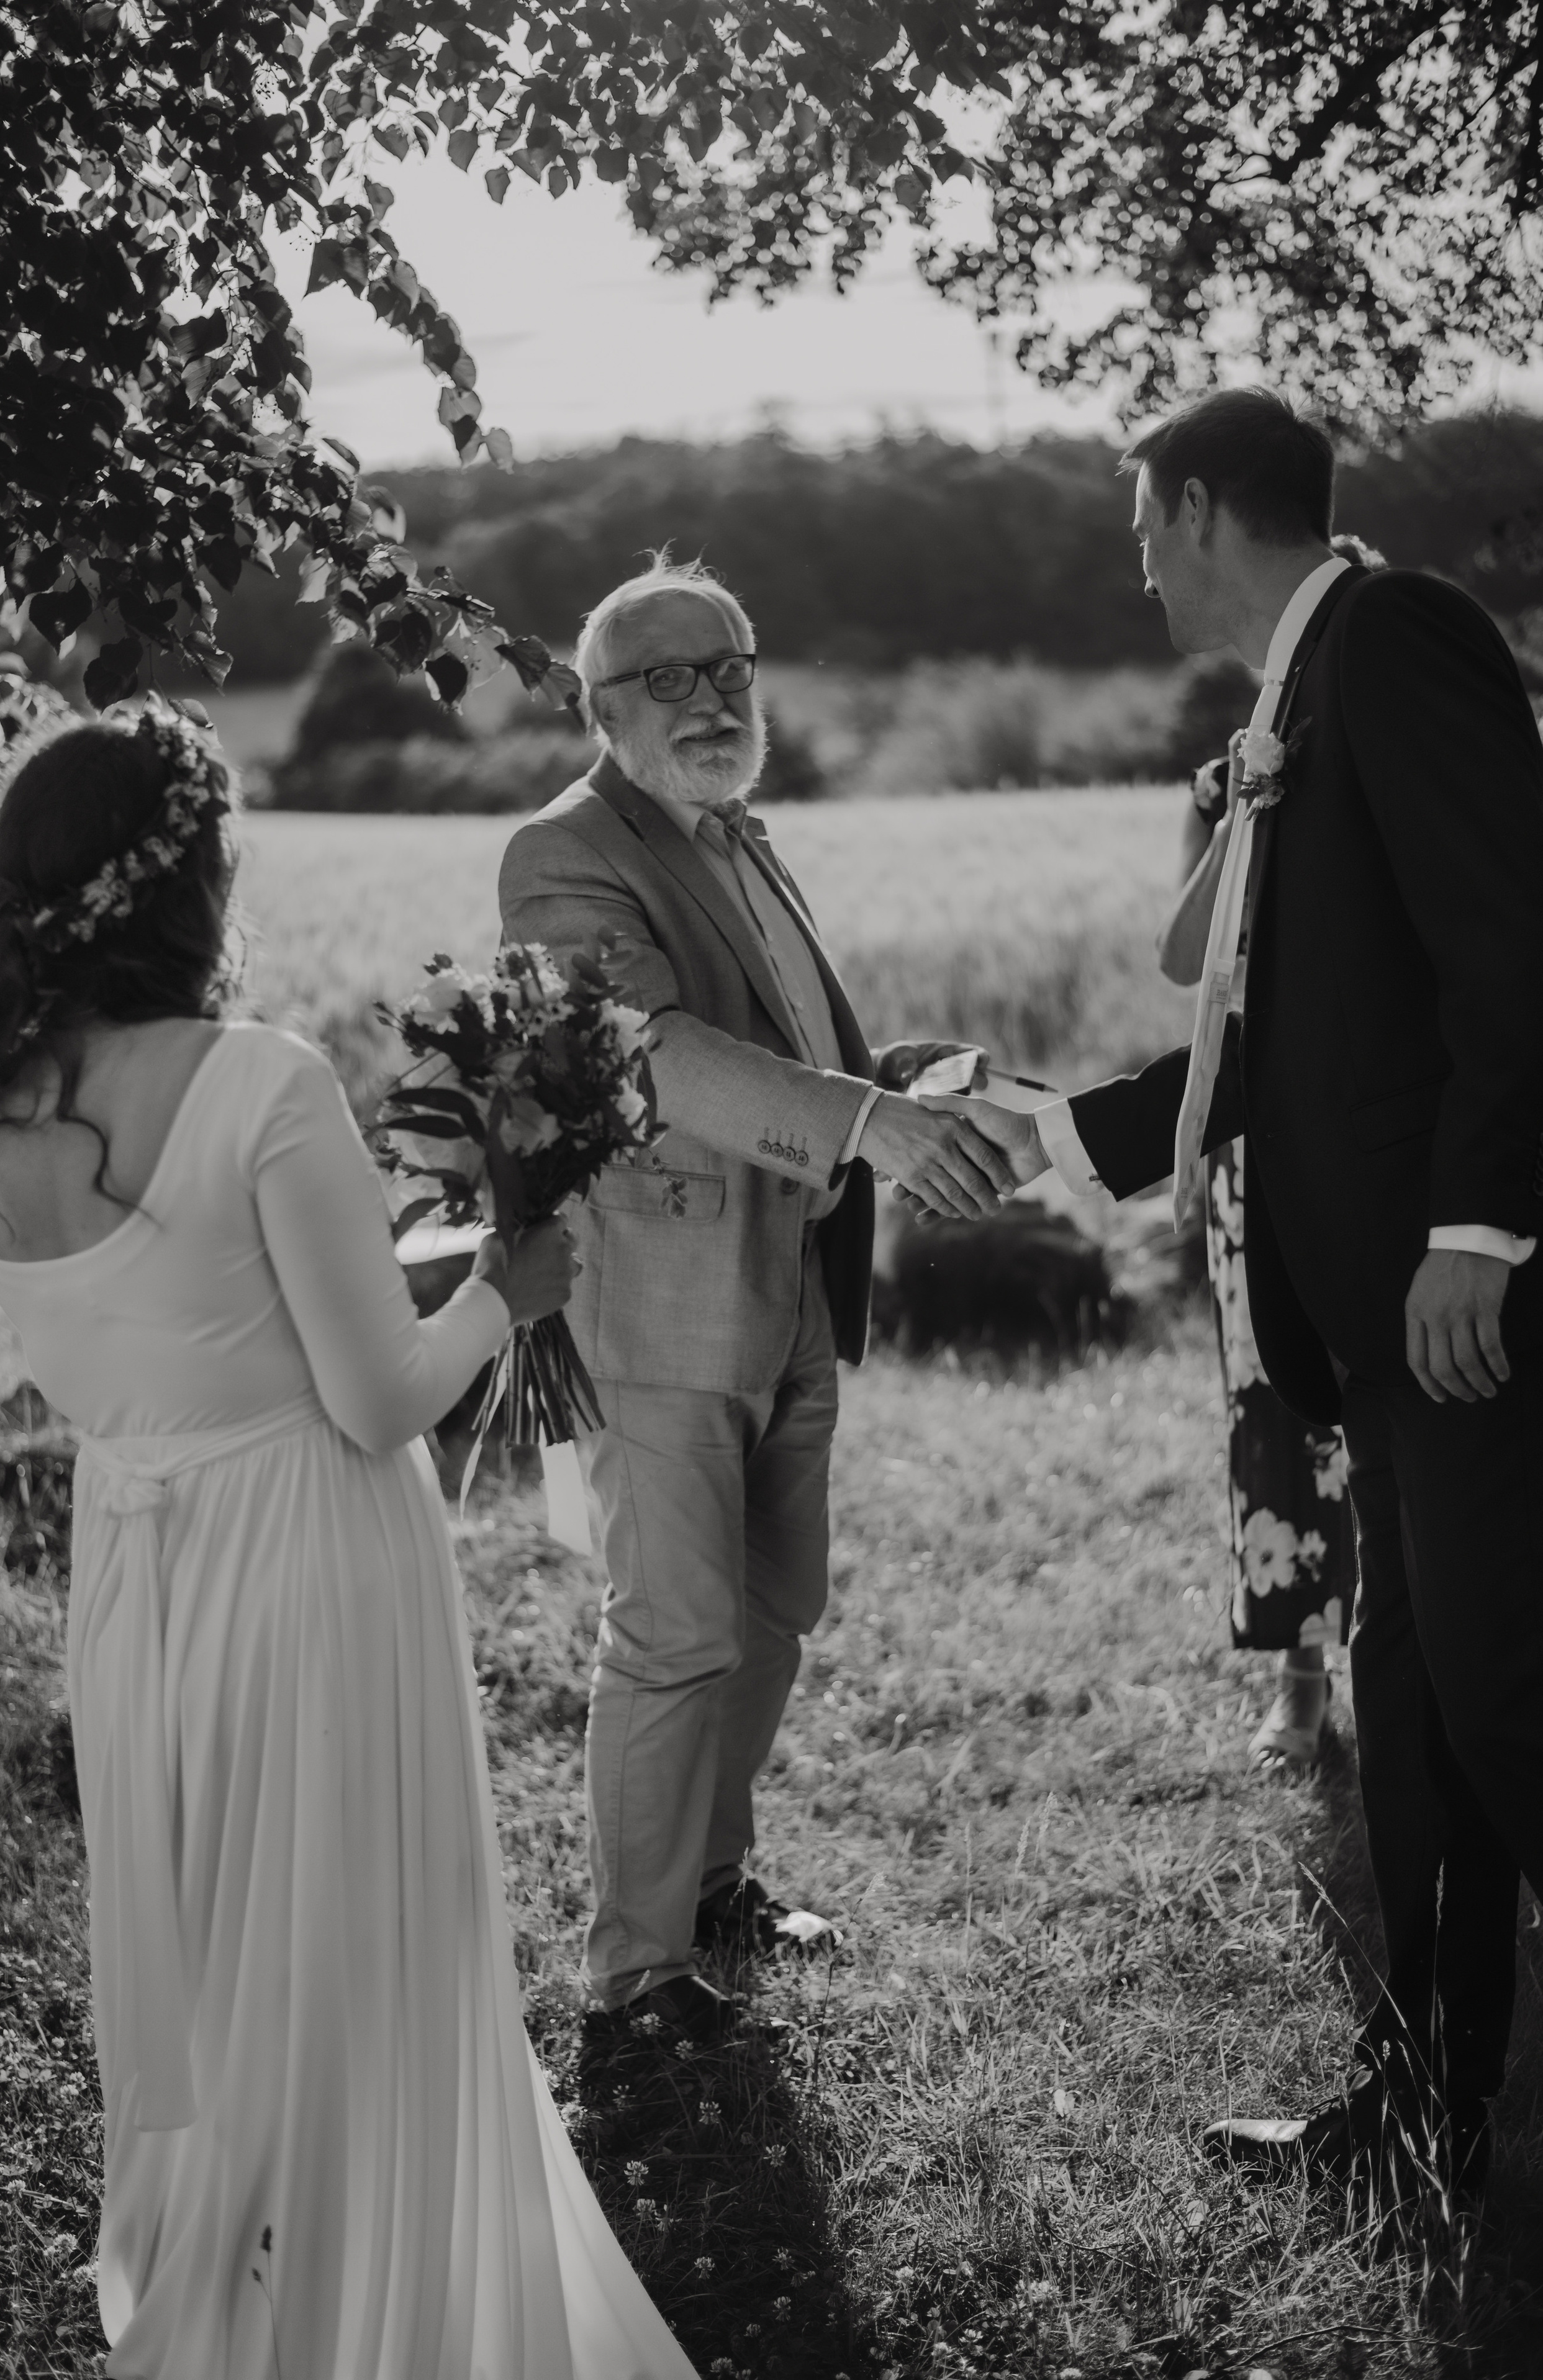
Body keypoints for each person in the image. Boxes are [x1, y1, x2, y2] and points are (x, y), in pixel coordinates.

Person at [0, 708, 699, 2380]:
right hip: (307, 1548)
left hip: (134, 1562)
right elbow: (375, 1401)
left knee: (209, 1942)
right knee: (358, 1942)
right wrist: (506, 1294)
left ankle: (234, 2286)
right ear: (184, 880)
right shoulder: (256, 1079)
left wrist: (414, 1278)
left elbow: (182, 1325)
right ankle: (386, 2312)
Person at [972, 389, 1543, 2207]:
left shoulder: (1395, 638)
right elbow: (1279, 1037)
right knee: (1420, 1718)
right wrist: (1046, 1130)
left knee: (1505, 1702)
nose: (1138, 563)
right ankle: (1421, 2105)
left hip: (1462, 1310)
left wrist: (1480, 1232)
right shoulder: (1286, 706)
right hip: (1374, 1325)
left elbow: (1516, 943)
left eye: (1144, 523)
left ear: (1204, 504)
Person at [498, 557, 1024, 2039]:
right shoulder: (558, 853)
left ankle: (714, 1886)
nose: (713, 699)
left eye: (729, 667)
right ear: (601, 709)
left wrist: (894, 1083)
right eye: (669, 677)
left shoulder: (735, 833)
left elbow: (784, 1044)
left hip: (792, 1279)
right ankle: (637, 1973)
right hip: (656, 1300)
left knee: (774, 1610)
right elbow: (644, 1046)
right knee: (673, 1631)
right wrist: (865, 1122)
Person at [1159, 734, 1355, 1771]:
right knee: (1275, 1403)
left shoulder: (1396, 756)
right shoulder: (1222, 782)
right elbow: (1184, 959)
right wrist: (1239, 812)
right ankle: (1302, 1673)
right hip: (1258, 1134)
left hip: (1384, 1120)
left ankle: (1430, 1657)